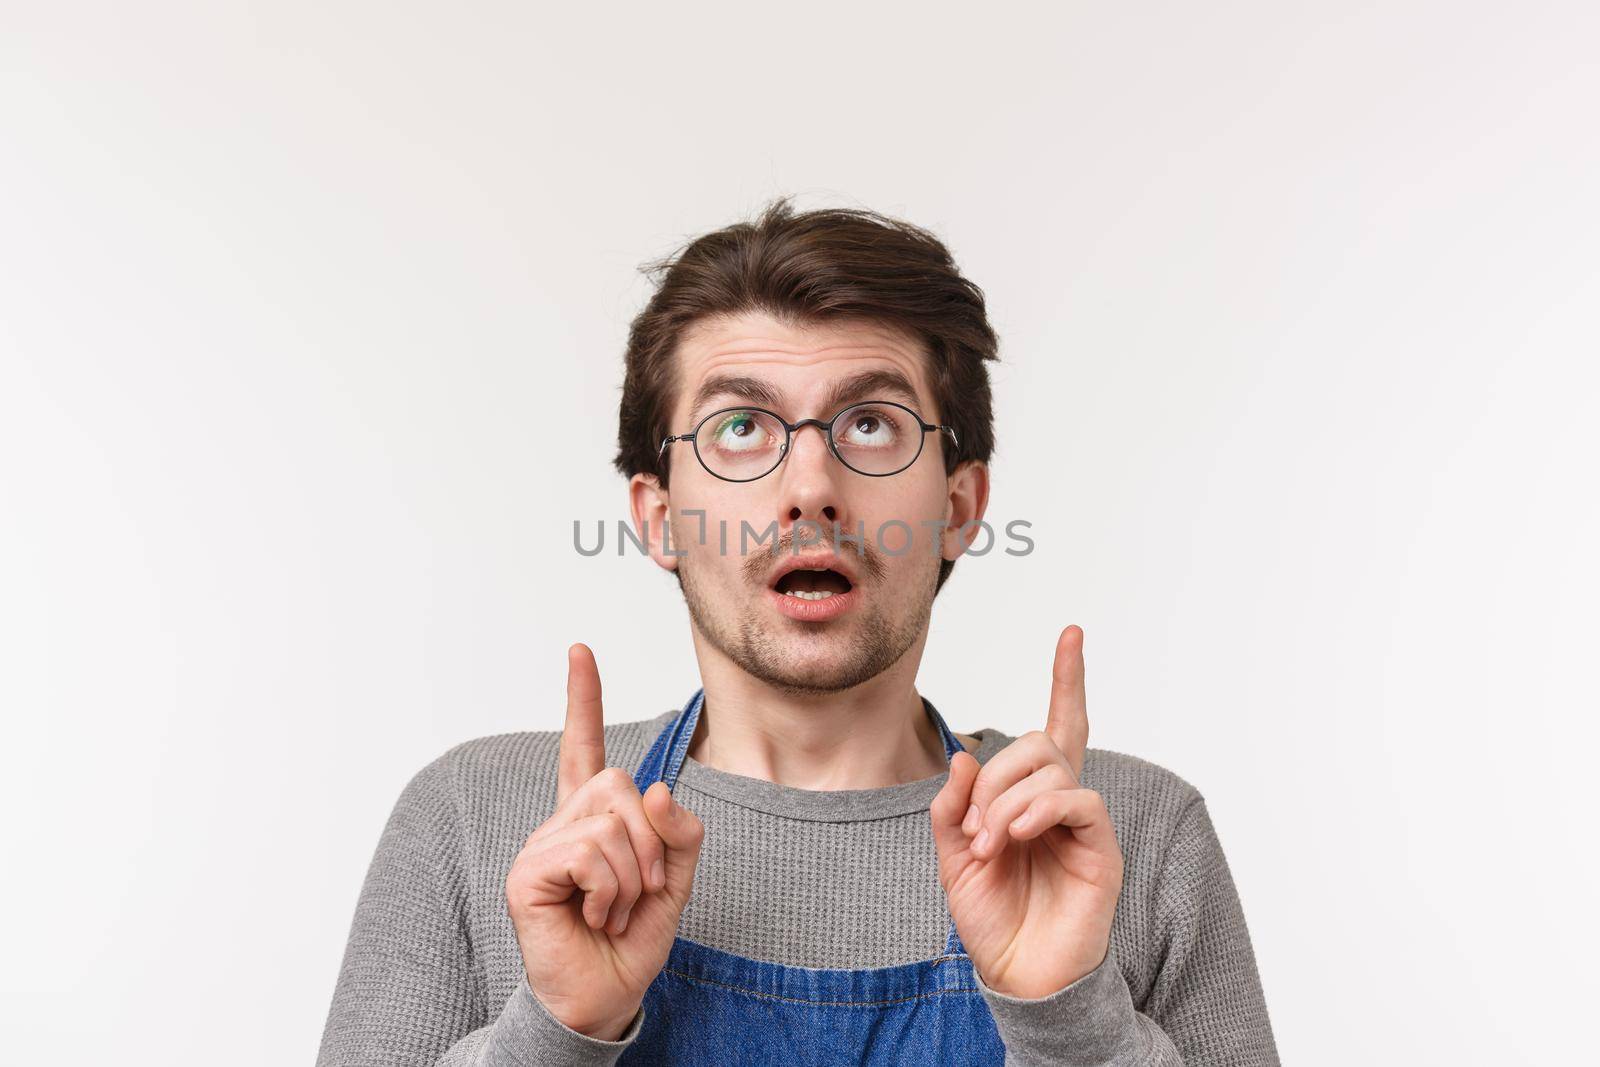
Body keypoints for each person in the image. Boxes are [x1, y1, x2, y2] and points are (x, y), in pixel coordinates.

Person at [316, 198, 1281, 1065]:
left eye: (871, 425)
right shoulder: (480, 819)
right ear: (657, 515)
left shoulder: (1126, 839)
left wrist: (1074, 1025)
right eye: (741, 427)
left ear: (958, 503)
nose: (810, 489)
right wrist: (556, 1030)